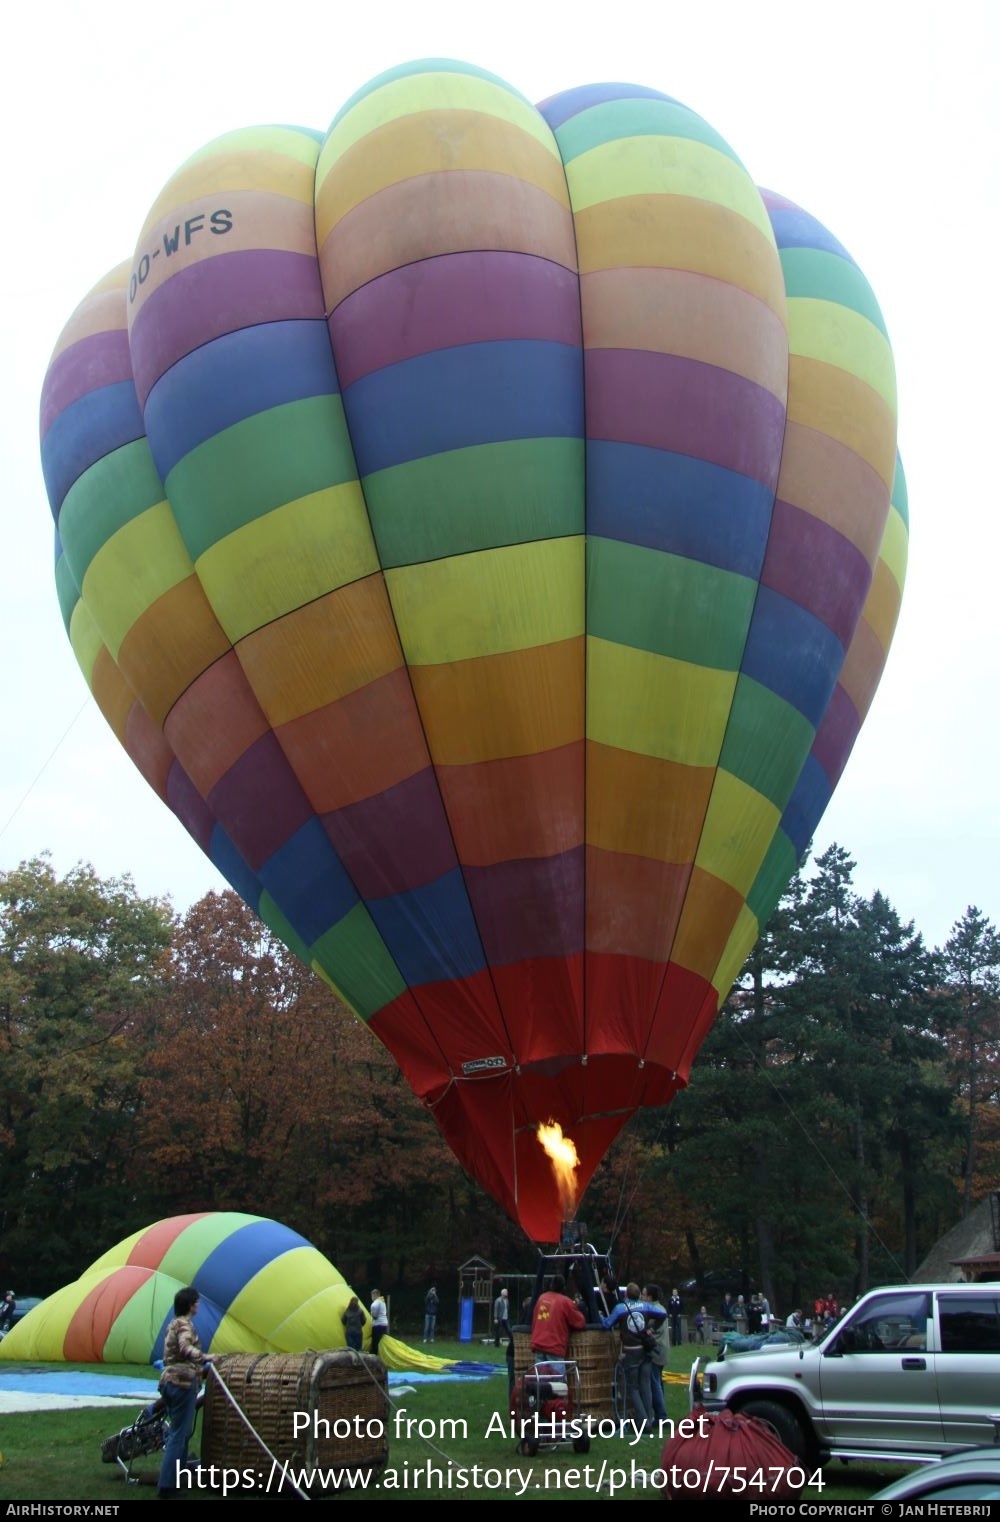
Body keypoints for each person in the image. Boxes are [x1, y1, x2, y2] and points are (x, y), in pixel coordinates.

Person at [157, 1286, 213, 1499]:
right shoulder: (185, 1326)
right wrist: (206, 1357)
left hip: (168, 1382)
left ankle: (176, 1481)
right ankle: (167, 1486)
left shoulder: (172, 1324)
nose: (198, 1305)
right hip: (182, 1383)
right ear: (191, 1305)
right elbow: (185, 1348)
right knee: (178, 1435)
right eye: (196, 1302)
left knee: (179, 1432)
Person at [602, 1282, 653, 1431]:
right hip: (646, 1350)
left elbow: (607, 1324)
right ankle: (648, 1417)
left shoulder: (621, 1308)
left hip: (631, 1350)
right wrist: (651, 1327)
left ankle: (644, 1422)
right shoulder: (646, 1306)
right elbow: (662, 1314)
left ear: (626, 1295)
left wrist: (600, 1317)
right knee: (645, 1385)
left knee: (633, 1388)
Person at [530, 1274, 585, 1368]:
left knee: (541, 1380)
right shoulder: (565, 1302)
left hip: (538, 1344)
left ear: (551, 1285)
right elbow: (580, 1322)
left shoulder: (542, 1298)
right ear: (563, 1287)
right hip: (554, 1347)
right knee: (558, 1381)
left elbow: (535, 1319)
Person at [642, 1284, 669, 1428]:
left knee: (654, 1383)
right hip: (662, 1350)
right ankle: (661, 1413)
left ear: (650, 1297)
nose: (642, 1297)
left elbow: (647, 1329)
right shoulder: (660, 1308)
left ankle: (661, 1416)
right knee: (658, 1381)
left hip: (656, 1351)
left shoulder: (654, 1311)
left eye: (644, 1294)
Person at [370, 1289, 389, 1355]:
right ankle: (384, 1355)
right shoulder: (382, 1301)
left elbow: (375, 1317)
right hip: (384, 1323)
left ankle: (375, 1356)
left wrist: (371, 1314)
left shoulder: (374, 1304)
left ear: (374, 1295)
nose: (371, 1297)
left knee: (375, 1342)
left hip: (378, 1325)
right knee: (383, 1341)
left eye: (371, 1295)